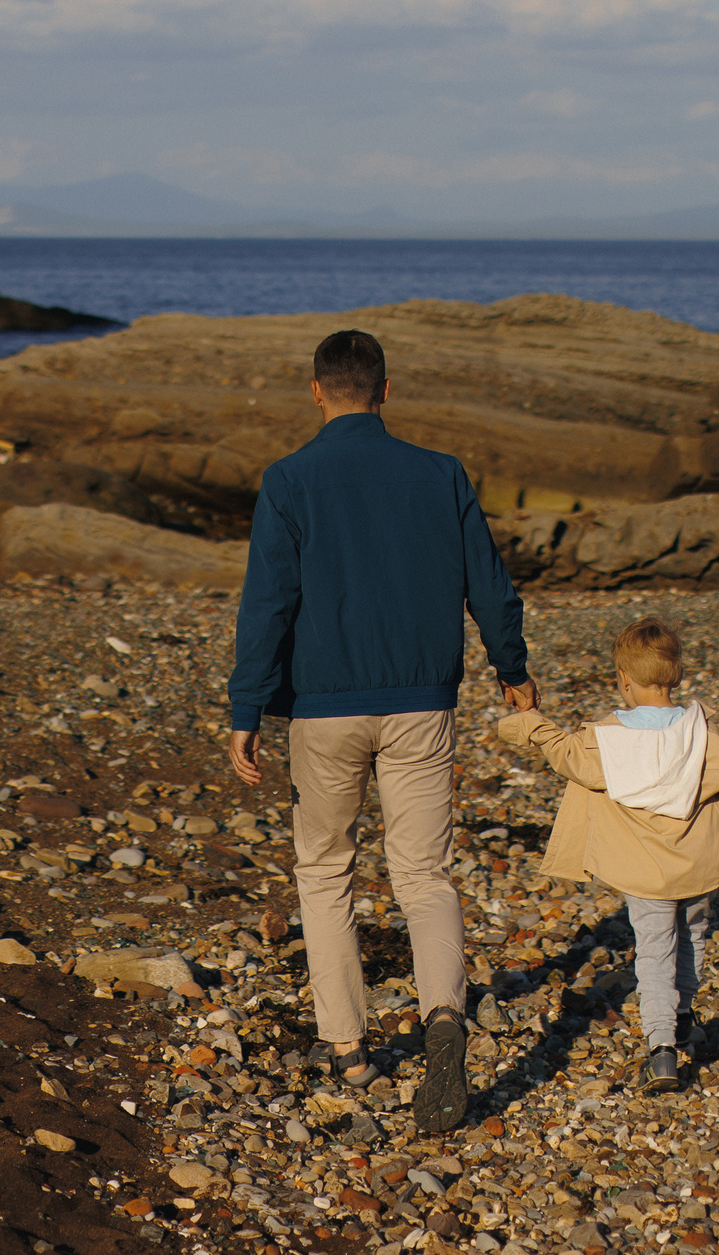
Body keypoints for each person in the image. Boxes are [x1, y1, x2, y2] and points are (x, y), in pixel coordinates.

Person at [226, 328, 531, 1136]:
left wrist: (245, 709)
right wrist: (513, 668)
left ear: (318, 392)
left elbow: (268, 604)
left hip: (324, 709)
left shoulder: (290, 479)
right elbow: (489, 587)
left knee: (325, 871)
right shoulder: (441, 474)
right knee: (424, 873)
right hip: (421, 702)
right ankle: (441, 1016)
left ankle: (350, 1047)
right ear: (386, 391)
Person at [497, 616, 719, 1094]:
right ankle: (682, 1018)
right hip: (701, 865)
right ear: (676, 677)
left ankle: (662, 1049)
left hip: (645, 875)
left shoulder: (607, 740)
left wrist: (529, 721)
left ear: (623, 679)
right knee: (696, 936)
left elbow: (565, 753)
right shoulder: (704, 736)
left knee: (655, 952)